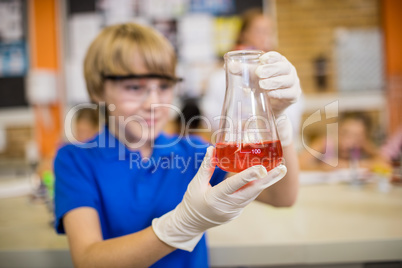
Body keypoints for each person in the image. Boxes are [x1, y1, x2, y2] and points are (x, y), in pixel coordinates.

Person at [54, 22, 301, 267]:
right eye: (133, 87)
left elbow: (282, 197)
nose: (153, 103)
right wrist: (181, 225)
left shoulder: (194, 152)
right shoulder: (76, 160)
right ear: (98, 89)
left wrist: (276, 119)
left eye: (163, 86)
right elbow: (87, 260)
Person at [201, 8, 304, 146]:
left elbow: (293, 121)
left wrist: (278, 116)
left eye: (269, 32)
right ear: (243, 34)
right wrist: (242, 126)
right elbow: (211, 119)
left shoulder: (281, 73)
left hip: (273, 147)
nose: (265, 37)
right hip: (235, 148)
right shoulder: (223, 74)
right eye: (259, 31)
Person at [299, 112, 386, 171]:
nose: (349, 141)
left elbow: (384, 164)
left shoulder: (364, 146)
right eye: (344, 133)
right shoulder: (325, 143)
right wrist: (320, 168)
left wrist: (347, 165)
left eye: (356, 136)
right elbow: (299, 163)